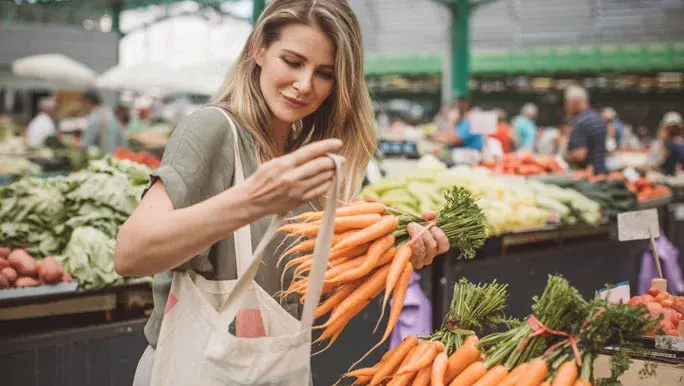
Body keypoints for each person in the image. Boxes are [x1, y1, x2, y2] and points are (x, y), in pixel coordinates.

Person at [115, 1, 450, 384]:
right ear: (259, 48)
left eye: (324, 73)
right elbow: (130, 253)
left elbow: (294, 295)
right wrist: (251, 201)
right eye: (292, 61)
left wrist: (390, 253)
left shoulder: (308, 161)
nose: (305, 84)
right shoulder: (213, 131)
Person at [562, 85, 608, 174]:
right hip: (600, 171)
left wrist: (561, 158)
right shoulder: (596, 117)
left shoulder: (580, 122)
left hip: (587, 175)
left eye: (567, 102)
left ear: (575, 102)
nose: (566, 106)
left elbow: (580, 154)